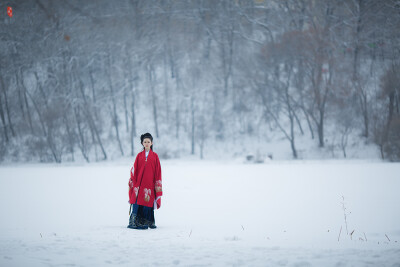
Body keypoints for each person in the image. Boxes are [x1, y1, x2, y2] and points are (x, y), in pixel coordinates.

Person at [127, 133, 162, 230]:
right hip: (139, 183)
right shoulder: (139, 156)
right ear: (142, 143)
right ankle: (134, 220)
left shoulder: (155, 156)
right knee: (137, 200)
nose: (146, 143)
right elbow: (134, 169)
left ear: (151, 143)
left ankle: (146, 221)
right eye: (145, 142)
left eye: (148, 142)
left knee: (147, 201)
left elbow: (158, 171)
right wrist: (133, 181)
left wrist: (157, 185)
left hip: (149, 184)